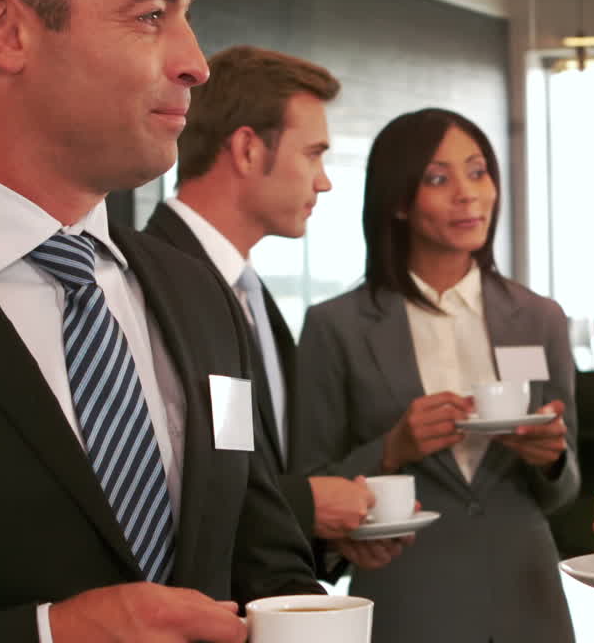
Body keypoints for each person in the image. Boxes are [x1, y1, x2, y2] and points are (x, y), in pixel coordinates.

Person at [0, 0, 322, 641]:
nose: (196, 63)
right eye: (152, 16)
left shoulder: (198, 296)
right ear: (4, 29)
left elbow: (260, 560)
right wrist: (49, 635)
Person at [292, 108, 579, 643]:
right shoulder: (337, 327)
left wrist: (552, 458)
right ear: (399, 202)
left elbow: (565, 489)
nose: (469, 194)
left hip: (528, 599)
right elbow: (306, 486)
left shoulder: (539, 318)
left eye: (478, 171)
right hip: (410, 600)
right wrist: (392, 448)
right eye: (438, 179)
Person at [144, 44, 408, 570]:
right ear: (246, 150)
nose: (325, 179)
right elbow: (157, 487)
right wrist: (310, 505)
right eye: (313, 154)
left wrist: (329, 536)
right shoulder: (148, 283)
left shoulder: (250, 293)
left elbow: (254, 474)